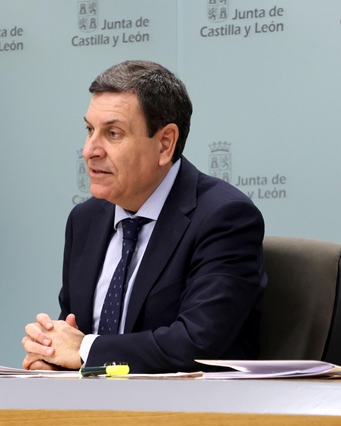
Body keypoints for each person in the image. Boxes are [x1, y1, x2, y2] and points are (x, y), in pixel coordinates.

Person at [22, 60, 266, 374]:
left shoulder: (224, 218)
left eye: (112, 133)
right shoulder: (84, 220)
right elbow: (73, 336)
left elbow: (198, 344)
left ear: (165, 144)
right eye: (89, 130)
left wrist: (84, 351)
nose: (90, 150)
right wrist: (51, 356)